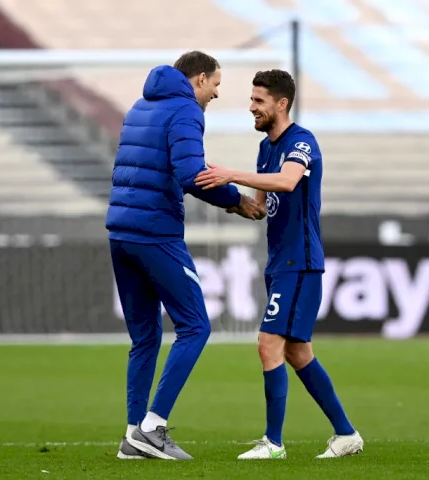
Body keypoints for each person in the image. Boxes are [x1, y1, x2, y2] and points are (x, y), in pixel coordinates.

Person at [195, 69, 364, 460]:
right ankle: (346, 434)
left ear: (281, 104)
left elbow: (287, 183)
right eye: (251, 99)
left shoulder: (301, 143)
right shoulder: (265, 149)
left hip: (299, 262)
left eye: (258, 101)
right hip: (278, 263)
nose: (251, 107)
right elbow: (259, 206)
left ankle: (273, 443)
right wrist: (228, 195)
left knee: (268, 342)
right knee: (298, 352)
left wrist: (230, 172)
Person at [106, 51, 266, 461]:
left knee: (145, 337)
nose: (215, 94)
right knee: (195, 325)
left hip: (121, 232)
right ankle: (154, 426)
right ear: (198, 78)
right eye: (215, 84)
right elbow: (191, 174)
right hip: (155, 233)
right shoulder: (185, 111)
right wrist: (235, 201)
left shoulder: (141, 107)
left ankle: (132, 435)